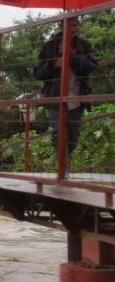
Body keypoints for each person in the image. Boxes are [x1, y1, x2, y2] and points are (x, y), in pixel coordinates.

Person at [33, 16, 98, 171]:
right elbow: (37, 73)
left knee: (73, 138)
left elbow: (91, 66)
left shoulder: (84, 46)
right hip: (54, 99)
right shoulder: (48, 47)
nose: (73, 28)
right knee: (58, 134)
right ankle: (64, 169)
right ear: (61, 26)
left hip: (77, 99)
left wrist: (71, 56)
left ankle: (64, 162)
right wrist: (54, 64)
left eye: (75, 25)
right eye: (70, 25)